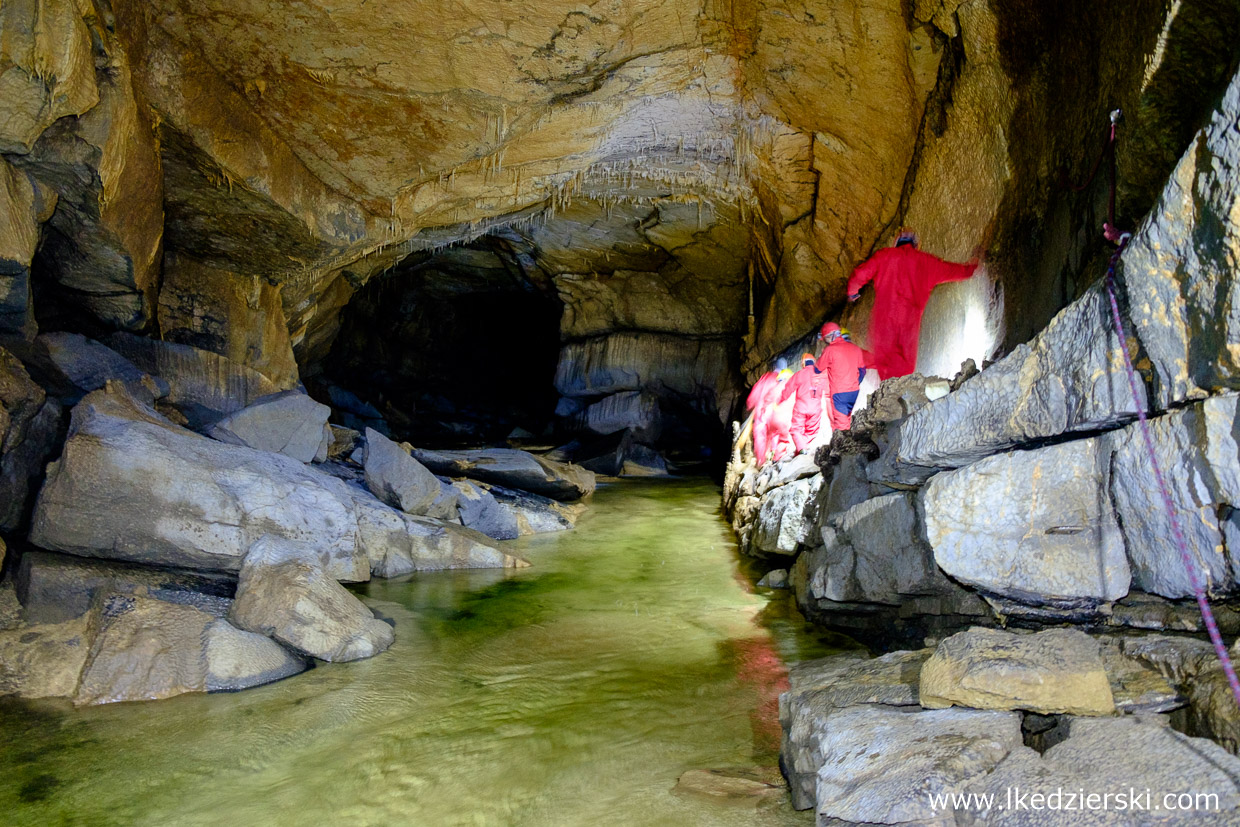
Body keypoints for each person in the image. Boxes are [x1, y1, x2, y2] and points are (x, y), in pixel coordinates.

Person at [846, 228, 979, 380]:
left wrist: (852, 291)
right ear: (916, 244)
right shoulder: (926, 261)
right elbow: (952, 270)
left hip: (883, 321)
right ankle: (899, 393)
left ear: (897, 243)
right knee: (904, 367)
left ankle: (886, 394)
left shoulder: (884, 256)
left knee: (884, 364)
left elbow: (860, 274)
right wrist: (973, 268)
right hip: (909, 322)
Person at [817, 322, 866, 431]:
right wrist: (855, 382)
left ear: (830, 336)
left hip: (839, 394)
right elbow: (863, 370)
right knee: (848, 420)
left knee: (841, 426)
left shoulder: (830, 350)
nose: (826, 342)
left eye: (826, 339)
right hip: (854, 391)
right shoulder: (856, 349)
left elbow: (817, 369)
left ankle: (845, 446)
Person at [778, 352, 829, 453]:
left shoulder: (799, 374)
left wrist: (780, 400)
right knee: (812, 431)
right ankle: (802, 448)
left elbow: (788, 389)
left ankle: (801, 448)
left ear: (803, 364)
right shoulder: (820, 375)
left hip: (801, 407)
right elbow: (829, 389)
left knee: (796, 430)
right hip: (816, 408)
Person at [749, 358, 790, 466]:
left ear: (774, 367)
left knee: (760, 435)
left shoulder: (767, 378)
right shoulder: (785, 379)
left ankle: (761, 461)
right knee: (774, 434)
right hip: (776, 412)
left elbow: (754, 395)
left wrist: (750, 404)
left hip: (763, 411)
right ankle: (774, 456)